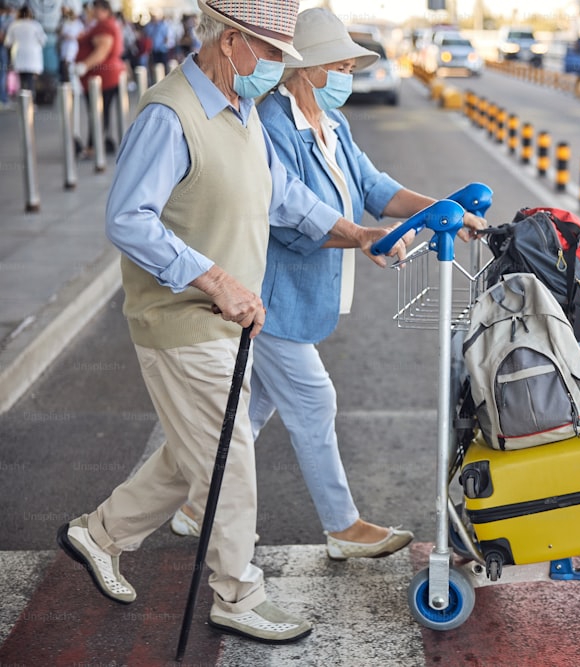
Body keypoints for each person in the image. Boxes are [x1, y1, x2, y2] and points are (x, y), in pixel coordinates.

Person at [56, 0, 407, 645]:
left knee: (199, 452)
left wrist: (356, 233)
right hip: (181, 320)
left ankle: (98, 533)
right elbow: (128, 219)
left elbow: (281, 195)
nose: (278, 68)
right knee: (232, 455)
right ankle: (237, 593)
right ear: (231, 44)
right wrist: (216, 280)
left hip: (229, 320)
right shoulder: (171, 114)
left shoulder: (242, 109)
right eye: (273, 54)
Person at [169, 7, 487, 562]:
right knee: (314, 400)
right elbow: (290, 216)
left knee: (256, 406)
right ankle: (342, 527)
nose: (348, 75)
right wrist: (364, 237)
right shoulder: (270, 124)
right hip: (268, 295)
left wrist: (445, 209)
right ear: (308, 68)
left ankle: (197, 502)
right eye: (339, 65)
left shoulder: (332, 124)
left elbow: (374, 186)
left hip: (301, 297)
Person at [74, 0, 125, 157]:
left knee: (97, 112)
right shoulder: (104, 24)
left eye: (95, 8)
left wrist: (84, 65)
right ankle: (98, 143)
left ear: (103, 9)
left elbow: (102, 49)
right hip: (105, 76)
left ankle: (93, 146)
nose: (93, 11)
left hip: (102, 77)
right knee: (101, 112)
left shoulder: (104, 26)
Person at [3, 6, 45, 100]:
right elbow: (43, 40)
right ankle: (30, 101)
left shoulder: (14, 25)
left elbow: (7, 42)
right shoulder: (35, 25)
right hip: (33, 56)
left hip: (19, 55)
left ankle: (24, 101)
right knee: (30, 79)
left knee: (22, 80)